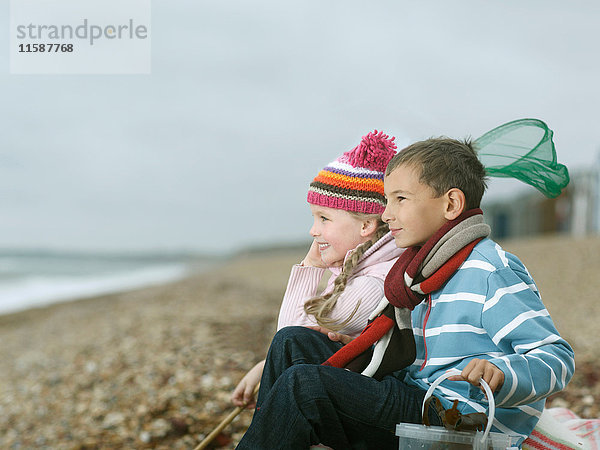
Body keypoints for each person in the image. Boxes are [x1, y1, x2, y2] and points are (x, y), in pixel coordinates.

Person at [237, 137, 575, 449]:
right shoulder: (421, 268)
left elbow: (557, 357)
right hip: (417, 393)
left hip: (458, 420)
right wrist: (359, 347)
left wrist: (502, 372)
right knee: (293, 341)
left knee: (304, 386)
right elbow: (417, 360)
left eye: (400, 199)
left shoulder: (488, 271)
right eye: (387, 200)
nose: (387, 213)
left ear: (451, 204)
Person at [231, 130, 404, 409]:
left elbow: (290, 341)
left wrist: (311, 265)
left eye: (324, 218)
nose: (313, 231)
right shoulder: (365, 267)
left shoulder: (375, 283)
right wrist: (266, 365)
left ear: (366, 225)